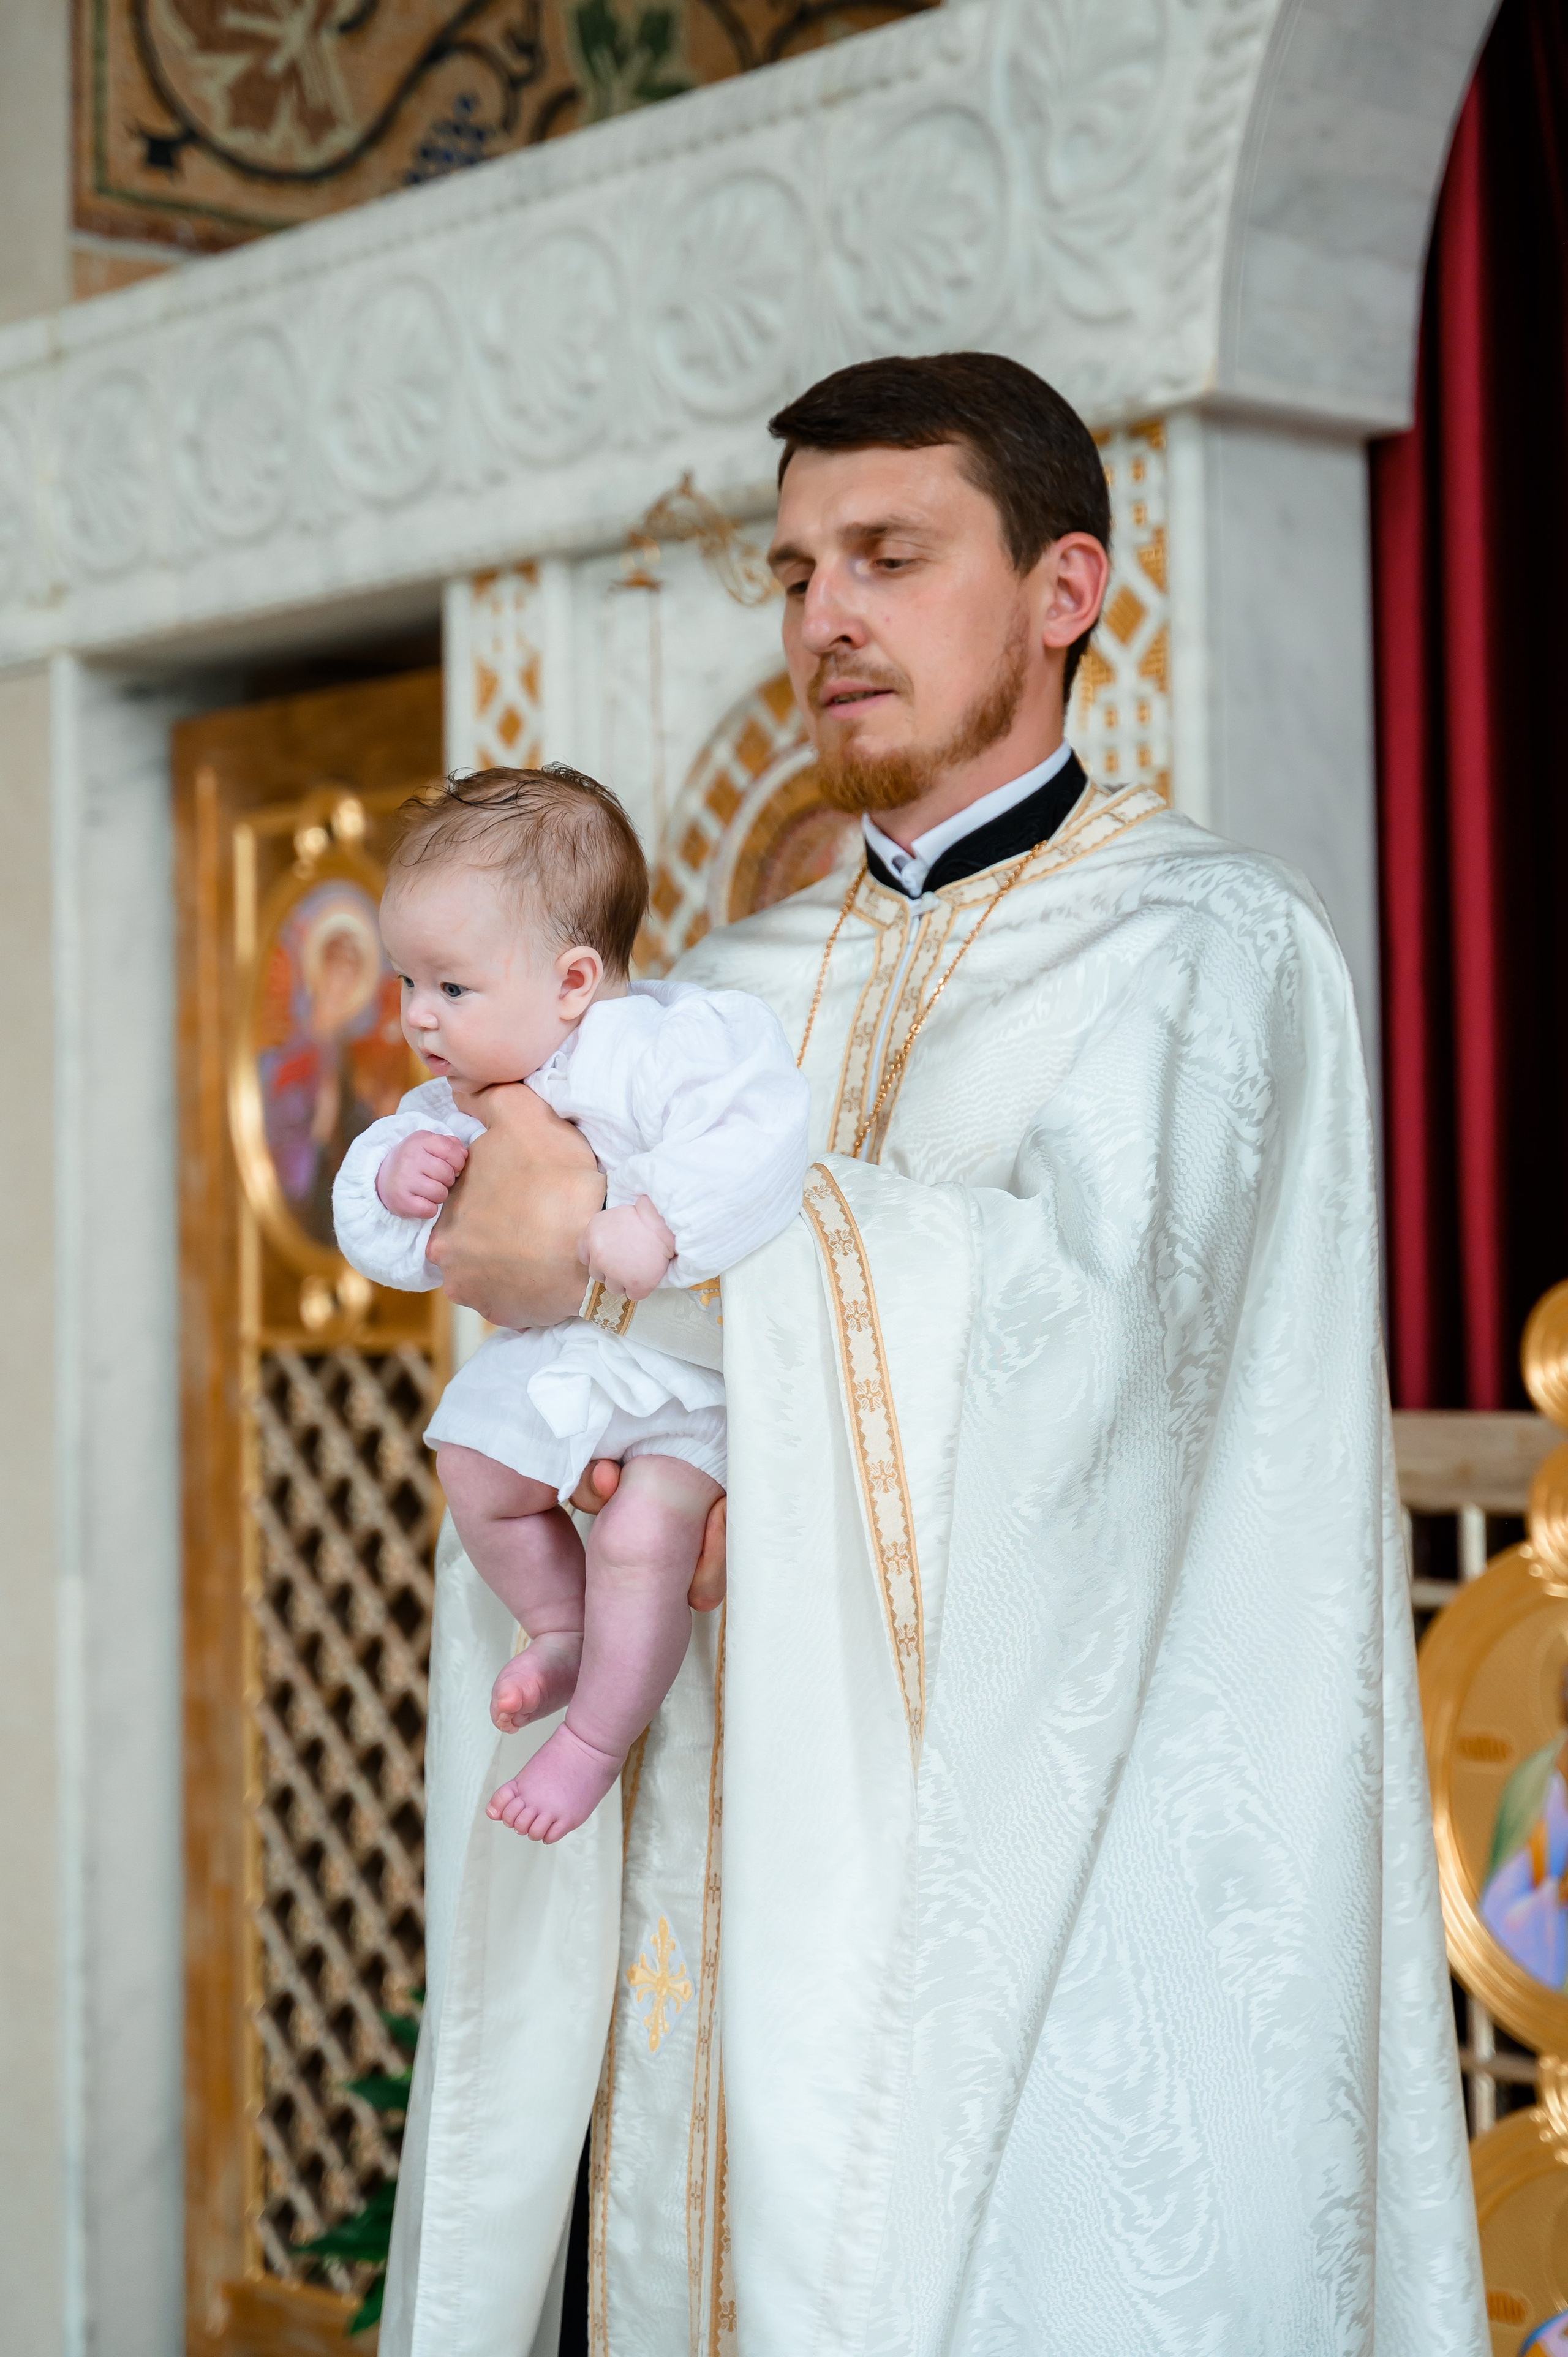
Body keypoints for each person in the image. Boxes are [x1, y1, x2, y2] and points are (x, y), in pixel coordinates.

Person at [382, 355, 1485, 2356]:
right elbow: (546, 1281)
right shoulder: (717, 986)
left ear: (1067, 588)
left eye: (888, 555)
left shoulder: (1210, 946)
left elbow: (1104, 1356)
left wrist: (658, 1265)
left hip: (1043, 1904)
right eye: (797, 568)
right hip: (718, 1869)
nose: (826, 619)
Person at [333, 764, 809, 1842]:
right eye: (407, 984)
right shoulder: (458, 1095)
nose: (417, 1018)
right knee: (469, 1463)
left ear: (574, 979)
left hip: (688, 1381)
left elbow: (760, 1132)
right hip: (569, 1370)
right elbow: (411, 1241)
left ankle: (592, 1743)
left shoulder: (668, 1045)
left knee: (647, 1533)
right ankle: (556, 1627)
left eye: (450, 989)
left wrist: (666, 1221)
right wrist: (393, 1183)